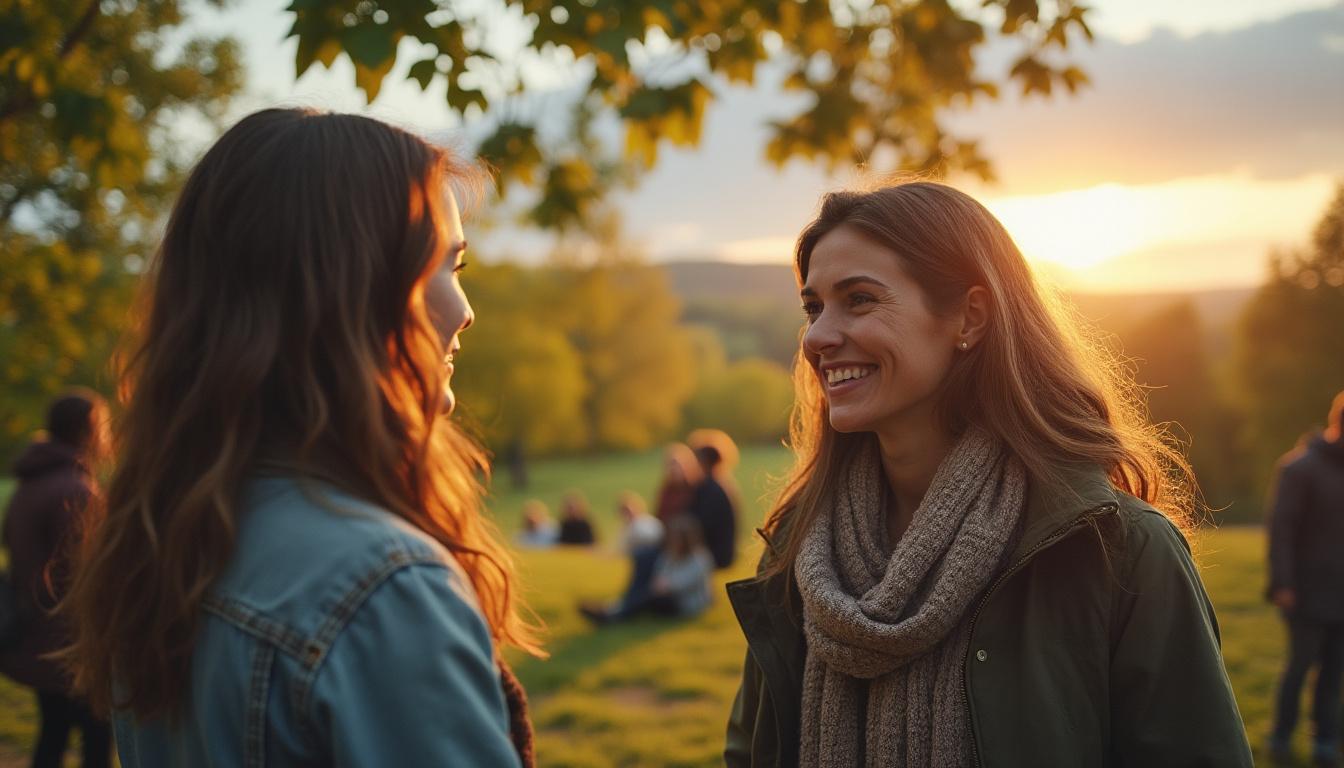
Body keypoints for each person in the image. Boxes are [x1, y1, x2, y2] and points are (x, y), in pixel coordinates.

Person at [58, 109, 541, 767]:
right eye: (446, 266)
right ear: (350, 287)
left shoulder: (170, 537)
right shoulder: (382, 587)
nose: (464, 311)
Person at [723, 182, 1252, 767]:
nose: (818, 337)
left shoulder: (1115, 550)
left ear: (969, 316)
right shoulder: (801, 551)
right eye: (814, 307)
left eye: (861, 299)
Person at [1, 390, 112, 768]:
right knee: (97, 741)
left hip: (35, 634)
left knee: (53, 734)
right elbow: (89, 575)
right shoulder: (75, 491)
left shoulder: (29, 485)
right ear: (88, 429)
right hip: (70, 646)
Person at [1267, 391, 1344, 766]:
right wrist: (1283, 583)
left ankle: (1325, 742)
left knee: (1334, 674)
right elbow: (1282, 528)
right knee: (1299, 667)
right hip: (1305, 592)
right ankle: (1281, 737)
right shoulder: (1299, 469)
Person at [581, 516, 714, 624]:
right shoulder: (671, 554)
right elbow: (661, 570)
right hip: (666, 593)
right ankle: (613, 610)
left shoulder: (700, 559)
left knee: (648, 596)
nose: (674, 541)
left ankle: (613, 614)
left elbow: (683, 584)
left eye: (677, 538)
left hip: (686, 604)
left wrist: (665, 585)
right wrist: (661, 583)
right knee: (644, 587)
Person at [687, 430, 739, 570]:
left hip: (716, 553)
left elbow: (701, 524)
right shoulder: (721, 484)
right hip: (720, 549)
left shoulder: (710, 489)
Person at [654, 443, 702, 524]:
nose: (674, 470)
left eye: (677, 466)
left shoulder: (695, 487)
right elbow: (660, 515)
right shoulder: (667, 490)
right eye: (670, 466)